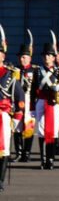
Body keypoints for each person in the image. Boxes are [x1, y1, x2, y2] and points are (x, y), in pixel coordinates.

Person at [32, 40, 59, 170]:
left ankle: (51, 159)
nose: (47, 58)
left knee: (52, 132)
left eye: (50, 55)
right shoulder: (38, 71)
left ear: (54, 57)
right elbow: (32, 90)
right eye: (45, 55)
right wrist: (31, 108)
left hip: (54, 103)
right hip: (42, 101)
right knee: (41, 130)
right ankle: (43, 159)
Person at [0, 36, 26, 189]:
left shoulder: (10, 74)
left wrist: (17, 118)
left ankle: (0, 180)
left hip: (3, 115)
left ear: (3, 55)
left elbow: (20, 97)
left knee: (3, 149)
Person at [15, 42, 35, 162]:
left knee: (28, 127)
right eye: (21, 57)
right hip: (18, 101)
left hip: (29, 101)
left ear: (29, 58)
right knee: (17, 127)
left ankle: (26, 153)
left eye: (25, 57)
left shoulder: (35, 70)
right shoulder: (14, 70)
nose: (22, 59)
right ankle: (18, 152)